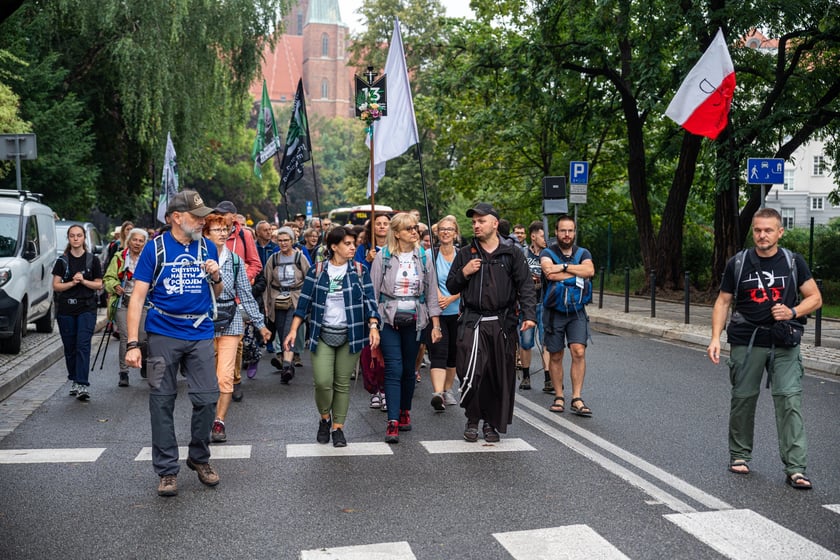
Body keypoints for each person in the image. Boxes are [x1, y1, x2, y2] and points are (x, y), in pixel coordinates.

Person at [707, 208, 822, 490]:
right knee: (743, 399)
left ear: (780, 232)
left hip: (784, 342)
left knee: (789, 401)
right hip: (746, 341)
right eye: (758, 230)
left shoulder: (793, 262)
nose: (762, 235)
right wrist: (714, 338)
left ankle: (796, 468)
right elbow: (723, 302)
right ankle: (740, 455)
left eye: (768, 230)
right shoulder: (739, 262)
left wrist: (792, 311)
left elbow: (816, 298)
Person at [125, 190, 223, 497]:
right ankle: (167, 471)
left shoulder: (207, 246)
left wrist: (216, 275)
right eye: (196, 217)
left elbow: (216, 294)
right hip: (162, 334)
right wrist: (131, 344)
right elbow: (138, 297)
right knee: (161, 401)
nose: (202, 221)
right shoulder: (154, 249)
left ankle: (198, 457)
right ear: (176, 218)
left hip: (201, 331)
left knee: (208, 397)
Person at [446, 203, 536, 442]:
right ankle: (472, 418)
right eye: (474, 221)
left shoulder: (512, 253)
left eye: (481, 220)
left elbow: (525, 286)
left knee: (498, 375)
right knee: (471, 371)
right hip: (472, 322)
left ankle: (490, 424)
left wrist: (529, 315)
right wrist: (464, 272)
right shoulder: (465, 253)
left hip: (502, 323)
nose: (476, 225)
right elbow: (452, 286)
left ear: (495, 223)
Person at [283, 226, 380, 447]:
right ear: (333, 246)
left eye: (353, 243)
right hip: (322, 334)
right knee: (323, 382)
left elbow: (370, 303)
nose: (352, 247)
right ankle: (324, 418)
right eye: (347, 243)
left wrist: (373, 326)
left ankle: (338, 428)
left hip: (351, 334)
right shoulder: (317, 271)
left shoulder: (359, 270)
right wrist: (293, 330)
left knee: (342, 383)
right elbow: (303, 304)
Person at [370, 213, 442, 443]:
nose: (415, 232)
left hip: (416, 319)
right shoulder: (384, 257)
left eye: (416, 229)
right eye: (409, 229)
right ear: (397, 233)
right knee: (394, 368)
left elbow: (431, 293)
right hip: (388, 318)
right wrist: (372, 324)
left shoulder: (423, 258)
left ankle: (404, 410)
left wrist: (435, 324)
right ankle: (392, 420)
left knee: (410, 368)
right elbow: (372, 292)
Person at [204, 214, 271, 443]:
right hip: (202, 321)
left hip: (231, 320)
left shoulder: (234, 261)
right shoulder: (197, 258)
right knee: (206, 376)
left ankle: (219, 422)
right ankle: (205, 413)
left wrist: (260, 324)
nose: (223, 233)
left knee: (225, 375)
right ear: (206, 233)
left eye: (225, 229)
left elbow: (245, 293)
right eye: (217, 229)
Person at [540, 215, 595, 416]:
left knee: (579, 351)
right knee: (555, 354)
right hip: (554, 311)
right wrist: (576, 272)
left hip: (577, 311)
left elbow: (590, 270)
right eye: (563, 230)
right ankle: (559, 396)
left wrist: (562, 267)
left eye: (570, 230)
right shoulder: (548, 251)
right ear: (556, 232)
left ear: (574, 232)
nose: (567, 234)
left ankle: (577, 397)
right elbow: (549, 274)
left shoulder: (583, 252)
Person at [215, 201, 262, 402]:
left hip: (237, 297)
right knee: (214, 343)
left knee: (237, 341)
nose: (221, 218)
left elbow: (255, 263)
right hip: (213, 297)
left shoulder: (245, 235)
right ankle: (217, 379)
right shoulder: (211, 233)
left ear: (233, 216)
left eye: (224, 215)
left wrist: (241, 277)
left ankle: (234, 381)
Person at [53, 224, 104, 401]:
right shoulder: (62, 261)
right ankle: (74, 378)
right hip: (66, 309)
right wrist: (72, 283)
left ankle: (82, 383)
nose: (76, 239)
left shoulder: (92, 260)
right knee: (70, 347)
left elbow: (99, 284)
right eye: (72, 236)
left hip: (86, 308)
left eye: (79, 235)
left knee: (83, 345)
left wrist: (83, 281)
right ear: (68, 239)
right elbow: (56, 285)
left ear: (84, 238)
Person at [263, 226, 310, 382]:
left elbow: (310, 279)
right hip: (277, 300)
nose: (283, 243)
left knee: (289, 330)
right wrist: (266, 304)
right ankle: (286, 362)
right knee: (282, 330)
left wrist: (308, 301)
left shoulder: (300, 258)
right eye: (280, 240)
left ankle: (287, 366)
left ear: (292, 241)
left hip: (295, 299)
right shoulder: (273, 259)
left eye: (286, 240)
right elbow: (267, 282)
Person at [103, 227, 149, 387]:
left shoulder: (148, 258)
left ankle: (144, 359)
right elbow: (108, 277)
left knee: (142, 337)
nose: (137, 243)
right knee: (125, 336)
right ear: (129, 241)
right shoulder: (119, 257)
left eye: (141, 241)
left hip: (144, 303)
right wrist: (115, 285)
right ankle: (124, 372)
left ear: (145, 243)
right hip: (124, 302)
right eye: (134, 240)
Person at [428, 216, 461, 411]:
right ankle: (438, 394)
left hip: (457, 311)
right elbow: (428, 279)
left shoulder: (462, 255)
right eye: (442, 229)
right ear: (437, 233)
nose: (446, 232)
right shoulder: (430, 254)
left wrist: (451, 298)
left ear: (456, 233)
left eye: (449, 229)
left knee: (453, 354)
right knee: (438, 352)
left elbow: (468, 281)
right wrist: (439, 296)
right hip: (437, 313)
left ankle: (448, 390)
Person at [518, 220, 551, 393]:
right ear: (533, 236)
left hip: (545, 303)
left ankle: (548, 379)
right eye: (542, 235)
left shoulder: (549, 254)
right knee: (526, 342)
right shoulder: (523, 254)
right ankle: (525, 376)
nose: (545, 239)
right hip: (527, 305)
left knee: (546, 341)